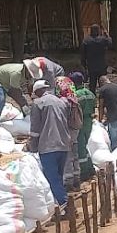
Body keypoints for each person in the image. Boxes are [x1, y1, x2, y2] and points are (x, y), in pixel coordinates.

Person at [29, 79, 81, 207]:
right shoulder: (62, 102)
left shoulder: (38, 103)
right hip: (64, 144)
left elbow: (35, 129)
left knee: (52, 178)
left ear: (38, 91)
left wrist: (32, 146)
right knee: (59, 175)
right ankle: (60, 203)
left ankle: (64, 205)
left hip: (48, 146)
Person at [70, 71, 97, 180]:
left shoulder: (75, 95)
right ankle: (91, 168)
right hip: (89, 122)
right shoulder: (90, 93)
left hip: (80, 122)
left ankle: (84, 172)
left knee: (80, 148)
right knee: (85, 145)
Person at [0, 61, 32, 126]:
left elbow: (30, 88)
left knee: (22, 101)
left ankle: (27, 118)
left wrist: (31, 99)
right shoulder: (16, 73)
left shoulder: (30, 76)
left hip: (9, 82)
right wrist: (23, 104)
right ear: (26, 70)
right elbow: (15, 91)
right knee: (1, 100)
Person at [81, 24, 111, 91]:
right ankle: (104, 96)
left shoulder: (86, 41)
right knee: (103, 83)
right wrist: (106, 34)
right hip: (102, 66)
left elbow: (83, 55)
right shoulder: (103, 39)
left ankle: (93, 98)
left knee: (92, 84)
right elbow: (110, 43)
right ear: (98, 31)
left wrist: (84, 65)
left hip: (91, 66)